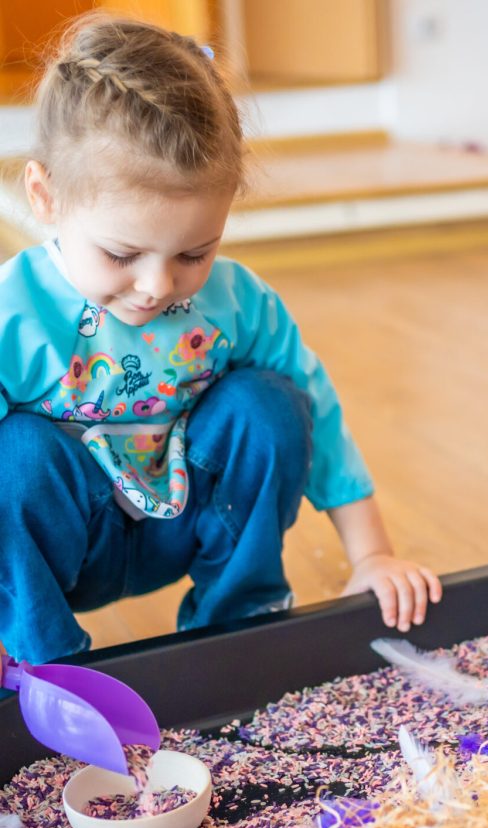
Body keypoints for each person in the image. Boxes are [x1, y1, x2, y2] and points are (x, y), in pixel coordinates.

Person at [0, 14, 441, 665]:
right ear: (46, 197)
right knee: (14, 456)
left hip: (187, 521)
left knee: (270, 405)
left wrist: (372, 554)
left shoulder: (237, 301)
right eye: (122, 254)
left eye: (193, 252)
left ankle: (236, 626)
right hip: (72, 543)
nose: (156, 286)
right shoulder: (15, 312)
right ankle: (44, 666)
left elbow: (316, 413)